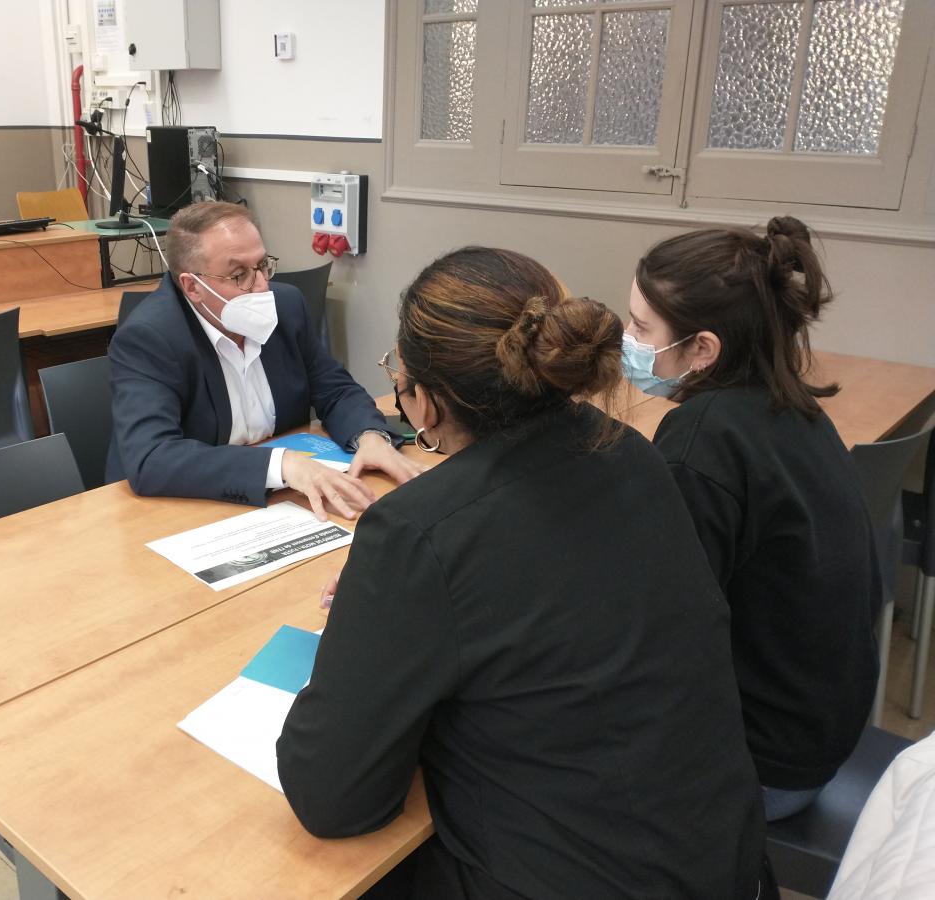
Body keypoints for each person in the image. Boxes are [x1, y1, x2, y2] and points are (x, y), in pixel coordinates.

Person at [277, 247, 767, 899]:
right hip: (725, 861)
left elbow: (332, 797)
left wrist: (370, 632)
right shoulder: (628, 452)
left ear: (425, 404)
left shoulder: (419, 531)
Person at [623, 216, 881, 821]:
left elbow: (660, 635)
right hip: (816, 734)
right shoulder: (791, 407)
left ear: (703, 349)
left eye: (640, 327)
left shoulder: (702, 439)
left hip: (759, 771)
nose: (626, 339)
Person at [105, 201, 421, 518]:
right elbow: (152, 457)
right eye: (239, 274)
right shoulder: (149, 338)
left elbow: (335, 389)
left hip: (280, 502)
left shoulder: (285, 306)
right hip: (178, 507)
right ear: (193, 286)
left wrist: (370, 436)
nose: (261, 286)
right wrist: (281, 464)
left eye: (262, 265)